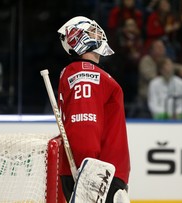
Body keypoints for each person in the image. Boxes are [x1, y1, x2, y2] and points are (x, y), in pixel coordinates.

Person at [57, 16, 130, 202]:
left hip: (97, 172)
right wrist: (89, 175)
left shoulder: (81, 72)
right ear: (78, 38)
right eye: (91, 31)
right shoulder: (86, 73)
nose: (98, 33)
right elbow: (84, 125)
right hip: (96, 175)